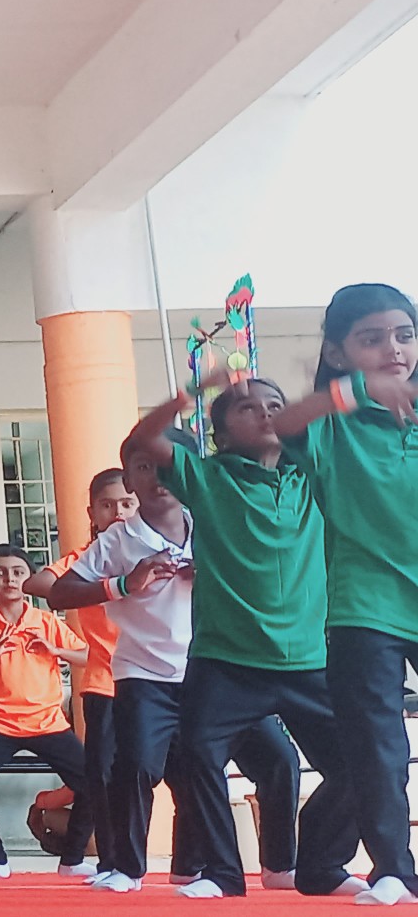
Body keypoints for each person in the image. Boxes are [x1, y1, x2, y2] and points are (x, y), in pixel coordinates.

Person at [124, 378, 363, 899]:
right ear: (222, 435)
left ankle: (322, 866)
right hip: (225, 661)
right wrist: (189, 393)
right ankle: (222, 874)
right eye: (248, 408)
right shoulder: (206, 478)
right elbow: (144, 438)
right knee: (199, 758)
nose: (266, 413)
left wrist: (340, 389)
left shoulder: (313, 475)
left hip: (307, 659)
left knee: (359, 761)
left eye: (275, 405)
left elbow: (342, 422)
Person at [268, 282, 418, 907]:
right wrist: (357, 389)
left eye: (405, 335)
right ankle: (394, 870)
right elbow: (281, 423)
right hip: (365, 605)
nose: (394, 350)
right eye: (372, 339)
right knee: (380, 746)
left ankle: (323, 857)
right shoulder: (331, 425)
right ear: (336, 351)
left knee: (370, 749)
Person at [0, 544, 95, 880]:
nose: (9, 579)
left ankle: (71, 860)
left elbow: (89, 656)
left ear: (30, 579)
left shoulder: (46, 621)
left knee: (95, 783)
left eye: (18, 572)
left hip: (48, 722)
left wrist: (56, 650)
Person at [23, 469, 136, 881]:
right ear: (92, 513)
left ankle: (185, 863)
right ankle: (110, 863)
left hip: (156, 682)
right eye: (107, 505)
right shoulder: (84, 559)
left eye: (127, 503)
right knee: (102, 776)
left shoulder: (156, 549)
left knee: (154, 773)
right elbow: (40, 584)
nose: (118, 512)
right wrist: (104, 585)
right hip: (104, 683)